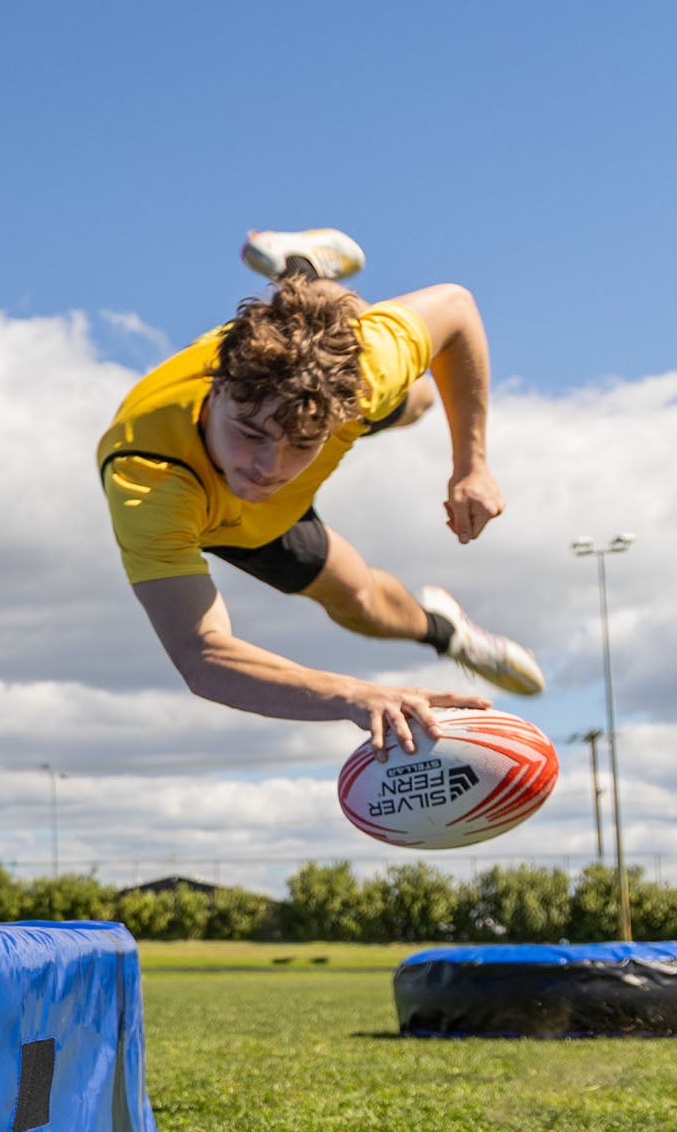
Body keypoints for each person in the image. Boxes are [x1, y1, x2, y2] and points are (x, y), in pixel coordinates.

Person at [99, 228, 541, 758]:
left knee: (423, 398)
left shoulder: (366, 372)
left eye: (300, 445)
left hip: (332, 398)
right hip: (213, 508)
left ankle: (302, 274)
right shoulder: (150, 482)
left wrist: (472, 464)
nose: (269, 468)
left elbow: (456, 308)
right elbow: (203, 655)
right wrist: (354, 695)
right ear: (218, 390)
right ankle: (449, 633)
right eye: (249, 435)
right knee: (359, 602)